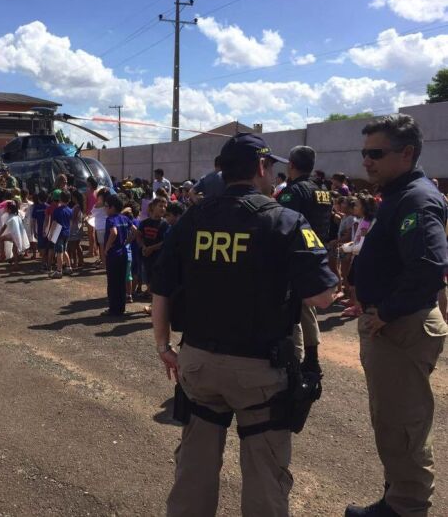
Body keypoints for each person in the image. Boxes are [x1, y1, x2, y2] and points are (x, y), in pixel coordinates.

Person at [150, 132, 337, 517]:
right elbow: (321, 297)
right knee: (265, 476)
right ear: (261, 168)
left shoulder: (192, 219)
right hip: (260, 371)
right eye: (271, 168)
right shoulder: (284, 220)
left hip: (198, 361)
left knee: (194, 471)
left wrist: (163, 347)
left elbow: (162, 290)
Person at [346, 114, 448, 517]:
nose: (367, 161)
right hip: (395, 324)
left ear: (406, 153)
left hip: (401, 328)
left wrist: (385, 312)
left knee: (403, 424)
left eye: (376, 153)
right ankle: (396, 498)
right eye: (364, 152)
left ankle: (406, 508)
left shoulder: (416, 199)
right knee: (391, 420)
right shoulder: (401, 194)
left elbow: (428, 264)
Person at [277, 146, 333, 362]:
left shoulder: (293, 192)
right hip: (318, 253)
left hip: (298, 256)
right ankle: (310, 357)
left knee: (296, 311)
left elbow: (283, 225)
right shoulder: (321, 190)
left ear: (291, 164)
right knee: (307, 308)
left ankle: (301, 362)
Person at [103, 194, 134, 316]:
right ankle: (121, 308)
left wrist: (106, 248)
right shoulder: (124, 218)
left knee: (112, 283)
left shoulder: (110, 219)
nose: (105, 209)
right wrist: (127, 242)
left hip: (113, 255)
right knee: (121, 282)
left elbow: (114, 233)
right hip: (124, 253)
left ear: (112, 207)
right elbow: (135, 231)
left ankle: (113, 309)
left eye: (106, 206)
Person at [50, 190, 73, 278]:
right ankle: (69, 267)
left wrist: (51, 234)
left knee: (59, 252)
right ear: (69, 199)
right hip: (67, 232)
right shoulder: (70, 210)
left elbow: (54, 223)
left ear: (60, 198)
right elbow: (70, 222)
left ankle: (59, 271)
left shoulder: (57, 211)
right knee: (64, 250)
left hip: (58, 233)